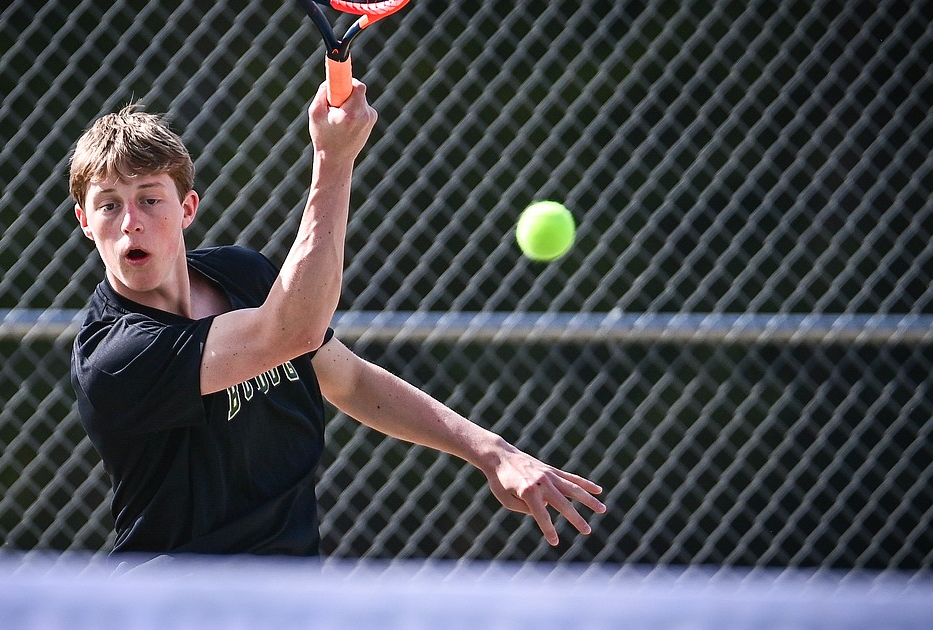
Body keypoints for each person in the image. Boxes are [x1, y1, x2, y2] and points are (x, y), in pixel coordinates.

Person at [67, 80, 606, 559]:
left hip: (294, 589)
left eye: (150, 198)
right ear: (86, 222)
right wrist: (334, 159)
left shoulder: (245, 277)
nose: (131, 222)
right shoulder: (114, 357)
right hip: (174, 603)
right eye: (109, 205)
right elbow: (289, 332)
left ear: (187, 209)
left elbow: (345, 377)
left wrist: (490, 450)